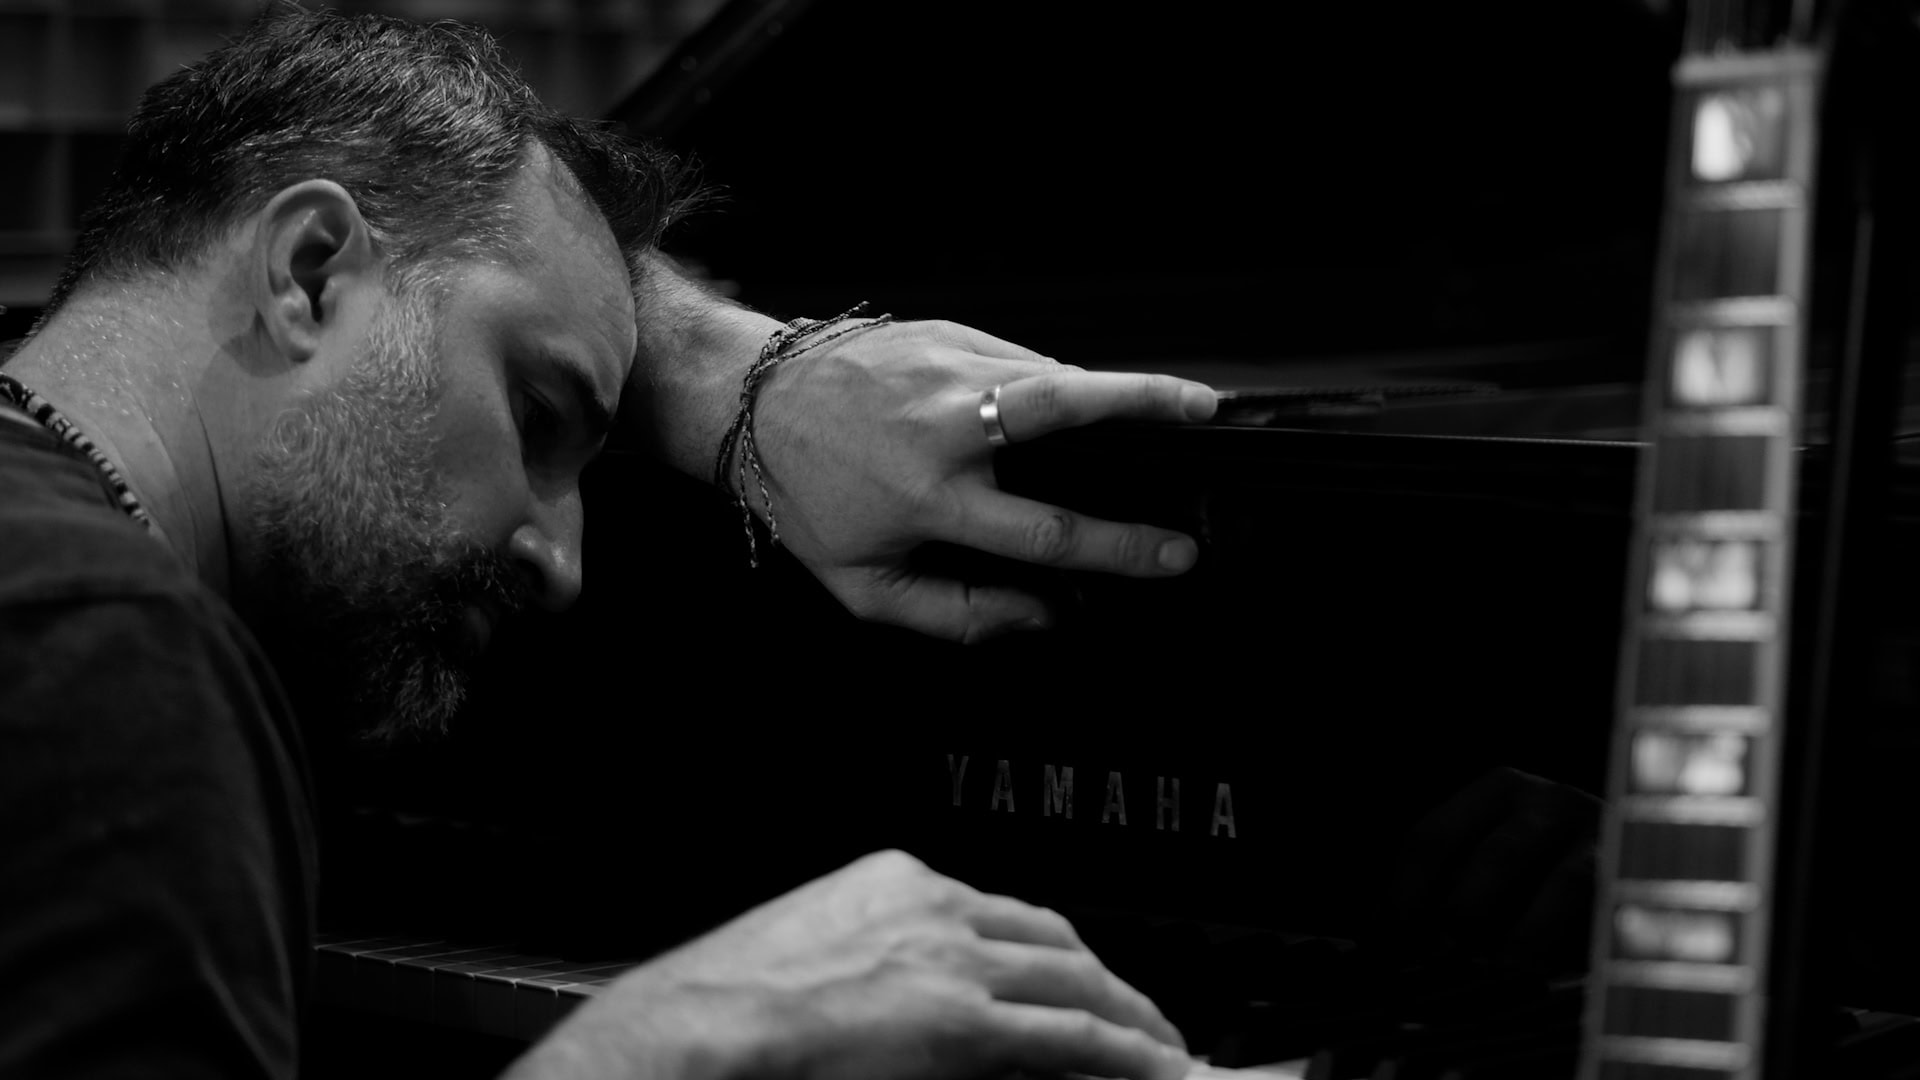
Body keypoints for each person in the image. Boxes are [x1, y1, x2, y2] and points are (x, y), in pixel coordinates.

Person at [0, 7, 1214, 1080]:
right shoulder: (106, 656)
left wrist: (728, 374)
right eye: (537, 415)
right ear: (310, 272)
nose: (564, 567)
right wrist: (675, 1038)